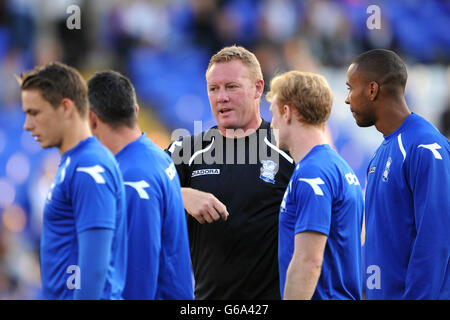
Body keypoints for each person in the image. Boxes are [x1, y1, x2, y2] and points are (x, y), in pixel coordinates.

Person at [166, 45, 295, 299]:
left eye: (231, 87)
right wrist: (180, 194)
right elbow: (135, 185)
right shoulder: (187, 149)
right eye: (213, 89)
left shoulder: (287, 147)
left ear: (258, 88)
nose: (221, 97)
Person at [345, 49, 450, 299]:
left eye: (350, 88)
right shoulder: (379, 153)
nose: (347, 99)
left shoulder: (425, 147)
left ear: (372, 90)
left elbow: (436, 239)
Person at [19, 62, 127, 299]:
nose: (27, 125)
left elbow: (95, 271)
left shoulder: (89, 166)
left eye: (34, 113)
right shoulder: (74, 162)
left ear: (66, 107)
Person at [87, 70, 193, 300]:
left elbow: (137, 275)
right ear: (135, 111)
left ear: (92, 119)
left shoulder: (132, 179)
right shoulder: (156, 155)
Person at [267, 71, 364, 300]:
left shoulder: (312, 173)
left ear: (287, 112)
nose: (271, 123)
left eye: (273, 114)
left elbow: (308, 262)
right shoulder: (341, 168)